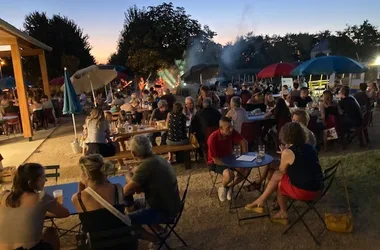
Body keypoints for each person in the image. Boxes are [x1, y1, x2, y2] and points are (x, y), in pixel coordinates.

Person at [245, 122, 323, 225]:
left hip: (305, 192)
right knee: (279, 177)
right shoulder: (310, 147)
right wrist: (286, 154)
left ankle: (273, 208)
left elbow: (282, 170)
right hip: (318, 188)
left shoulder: (289, 152)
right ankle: (262, 202)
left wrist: (284, 154)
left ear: (285, 135)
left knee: (279, 179)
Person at [72, 155, 138, 250]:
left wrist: (81, 185)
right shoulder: (118, 188)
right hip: (123, 243)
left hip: (96, 245)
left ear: (86, 175)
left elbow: (81, 196)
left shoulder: (77, 198)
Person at [0, 163, 70, 250]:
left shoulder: (4, 196)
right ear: (31, 183)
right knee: (51, 232)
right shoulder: (41, 197)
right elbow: (65, 213)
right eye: (43, 177)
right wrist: (44, 213)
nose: (46, 180)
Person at [123, 135, 181, 226]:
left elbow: (125, 191)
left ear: (133, 153)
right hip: (173, 204)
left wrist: (129, 178)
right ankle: (158, 231)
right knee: (133, 204)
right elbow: (134, 175)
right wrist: (133, 181)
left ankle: (154, 238)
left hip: (162, 210)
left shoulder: (146, 165)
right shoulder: (157, 159)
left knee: (125, 221)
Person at [207, 117, 249, 202]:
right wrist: (233, 165)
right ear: (221, 129)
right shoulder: (213, 138)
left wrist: (245, 157)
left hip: (230, 158)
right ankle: (222, 187)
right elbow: (216, 160)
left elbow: (243, 142)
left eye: (231, 127)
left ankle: (230, 187)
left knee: (245, 170)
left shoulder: (231, 132)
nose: (231, 129)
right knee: (229, 174)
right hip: (216, 162)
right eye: (228, 128)